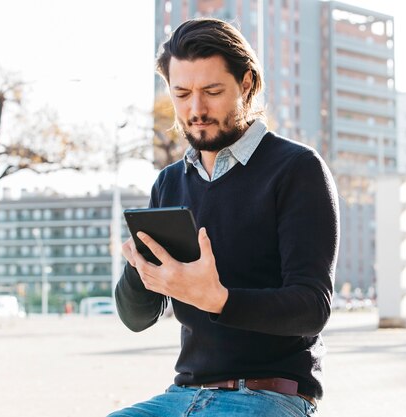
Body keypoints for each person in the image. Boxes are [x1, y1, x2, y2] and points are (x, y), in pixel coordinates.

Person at [108, 17, 339, 417]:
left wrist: (219, 300)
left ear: (246, 83)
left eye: (212, 91)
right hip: (182, 395)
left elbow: (312, 306)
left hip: (270, 395)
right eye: (181, 94)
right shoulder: (169, 183)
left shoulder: (297, 169)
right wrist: (139, 271)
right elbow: (136, 319)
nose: (195, 109)